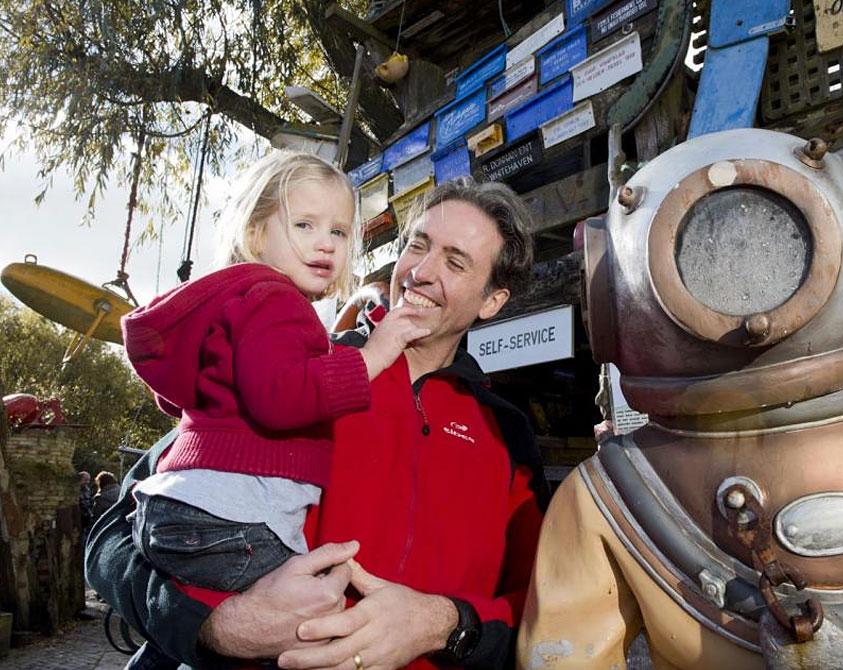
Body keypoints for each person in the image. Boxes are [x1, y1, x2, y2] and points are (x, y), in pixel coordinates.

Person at [86, 176, 548, 670]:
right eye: (418, 245)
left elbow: (547, 602)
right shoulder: (299, 370)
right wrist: (218, 625)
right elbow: (112, 539)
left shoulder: (507, 434)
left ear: (492, 301)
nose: (420, 272)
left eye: (455, 262)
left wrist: (446, 623)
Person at [116, 151, 429, 669]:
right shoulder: (276, 300)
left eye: (340, 231)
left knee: (204, 627)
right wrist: (372, 355)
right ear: (257, 233)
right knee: (304, 621)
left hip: (185, 510)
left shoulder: (244, 300)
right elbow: (279, 398)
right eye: (304, 224)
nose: (325, 242)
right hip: (228, 518)